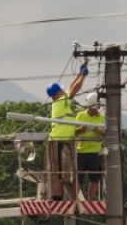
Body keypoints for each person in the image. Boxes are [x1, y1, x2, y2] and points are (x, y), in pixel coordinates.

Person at [46, 64, 88, 201]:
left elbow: (71, 87)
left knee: (66, 174)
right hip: (59, 142)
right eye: (61, 90)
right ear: (57, 94)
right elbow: (75, 89)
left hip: (66, 141)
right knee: (61, 175)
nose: (64, 91)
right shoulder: (60, 102)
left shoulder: (62, 102)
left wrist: (79, 73)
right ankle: (56, 201)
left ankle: (61, 199)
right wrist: (83, 76)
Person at [75, 92, 105, 201]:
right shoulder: (80, 115)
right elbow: (73, 131)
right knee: (78, 178)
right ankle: (74, 199)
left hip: (94, 152)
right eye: (94, 109)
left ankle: (90, 200)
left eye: (96, 108)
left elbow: (108, 134)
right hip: (81, 151)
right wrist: (80, 129)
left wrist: (98, 131)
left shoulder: (101, 117)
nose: (95, 111)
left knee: (94, 178)